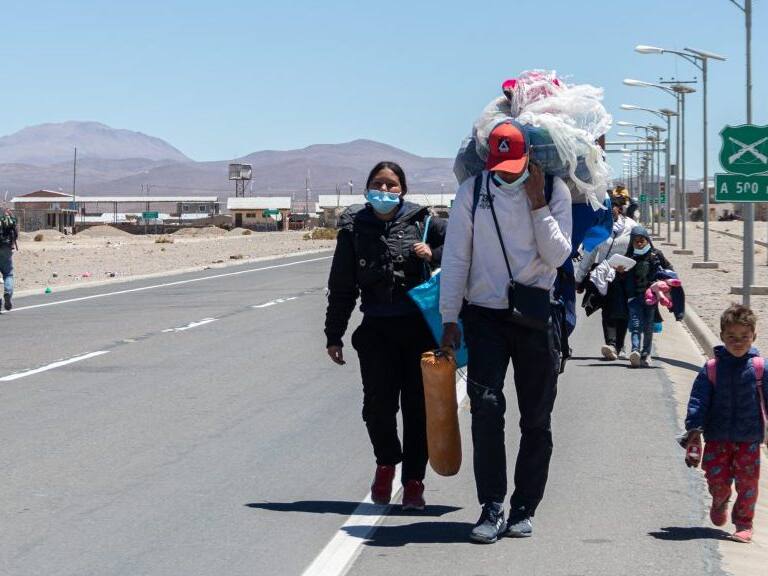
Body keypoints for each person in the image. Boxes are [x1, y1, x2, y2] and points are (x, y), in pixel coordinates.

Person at [440, 122, 572, 543]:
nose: (507, 174)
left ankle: (524, 508)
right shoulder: (473, 191)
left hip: (535, 317)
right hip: (485, 317)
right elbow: (456, 257)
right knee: (485, 410)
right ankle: (492, 505)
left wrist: (537, 205)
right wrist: (448, 318)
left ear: (529, 158)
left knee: (536, 418)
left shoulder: (553, 190)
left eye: (514, 167)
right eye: (500, 167)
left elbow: (558, 256)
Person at [324, 161, 447, 511]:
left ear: (402, 189)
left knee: (417, 409)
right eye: (378, 183)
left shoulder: (423, 221)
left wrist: (433, 254)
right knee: (377, 408)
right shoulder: (353, 228)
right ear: (367, 188)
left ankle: (413, 482)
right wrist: (334, 334)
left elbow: (464, 245)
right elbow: (342, 286)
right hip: (376, 332)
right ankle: (386, 463)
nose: (384, 190)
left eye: (391, 185)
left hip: (419, 332)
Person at [683, 304, 768, 543]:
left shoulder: (760, 368)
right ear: (722, 336)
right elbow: (698, 399)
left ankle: (744, 524)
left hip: (749, 439)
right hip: (717, 438)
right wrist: (694, 428)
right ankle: (719, 500)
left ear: (754, 336)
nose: (738, 342)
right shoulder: (712, 368)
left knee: (748, 483)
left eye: (744, 336)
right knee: (716, 480)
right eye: (732, 336)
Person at [575, 191, 636, 359]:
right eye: (605, 207)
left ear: (619, 209)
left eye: (612, 207)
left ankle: (620, 345)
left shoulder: (632, 227)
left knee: (623, 311)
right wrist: (579, 279)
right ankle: (611, 344)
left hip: (625, 275)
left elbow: (640, 247)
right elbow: (589, 254)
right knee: (608, 310)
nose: (608, 210)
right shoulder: (599, 228)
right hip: (604, 276)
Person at [622, 226, 671, 367]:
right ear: (632, 242)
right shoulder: (628, 257)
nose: (639, 244)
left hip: (651, 298)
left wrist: (664, 283)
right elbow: (621, 278)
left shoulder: (656, 255)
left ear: (647, 240)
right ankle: (635, 351)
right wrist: (620, 271)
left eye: (641, 240)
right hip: (634, 297)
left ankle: (645, 354)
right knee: (635, 325)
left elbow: (669, 269)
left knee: (648, 327)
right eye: (636, 241)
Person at [0, 208, 18, 313]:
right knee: (8, 274)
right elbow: (15, 234)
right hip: (6, 248)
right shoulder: (9, 217)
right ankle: (7, 292)